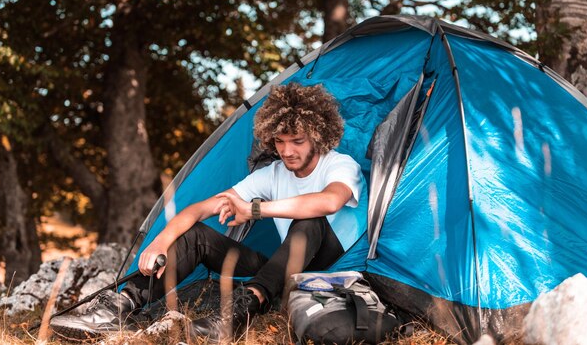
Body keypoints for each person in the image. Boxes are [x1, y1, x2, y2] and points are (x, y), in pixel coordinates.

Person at [50, 82, 366, 341]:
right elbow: (201, 208)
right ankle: (121, 304)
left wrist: (254, 210)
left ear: (317, 135)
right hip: (282, 273)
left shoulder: (338, 164)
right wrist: (160, 241)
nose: (286, 151)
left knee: (308, 221)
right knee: (198, 236)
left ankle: (236, 316)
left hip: (334, 269)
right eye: (279, 141)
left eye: (296, 141)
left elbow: (329, 202)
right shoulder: (273, 174)